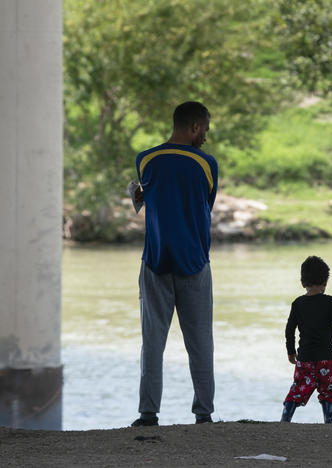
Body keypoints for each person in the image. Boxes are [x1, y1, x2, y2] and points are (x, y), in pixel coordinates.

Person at [131, 101, 218, 427]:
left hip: (155, 261)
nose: (205, 138)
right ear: (195, 127)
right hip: (195, 262)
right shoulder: (207, 165)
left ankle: (148, 414)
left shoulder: (146, 160)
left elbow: (147, 198)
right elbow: (205, 205)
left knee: (152, 343)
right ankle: (203, 414)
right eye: (205, 130)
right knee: (200, 343)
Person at [281, 256, 332, 424]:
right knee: (329, 391)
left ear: (302, 282)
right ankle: (328, 422)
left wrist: (290, 351)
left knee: (298, 388)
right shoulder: (329, 302)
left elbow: (289, 330)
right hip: (326, 359)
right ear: (325, 282)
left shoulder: (297, 303)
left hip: (305, 359)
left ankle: (285, 419)